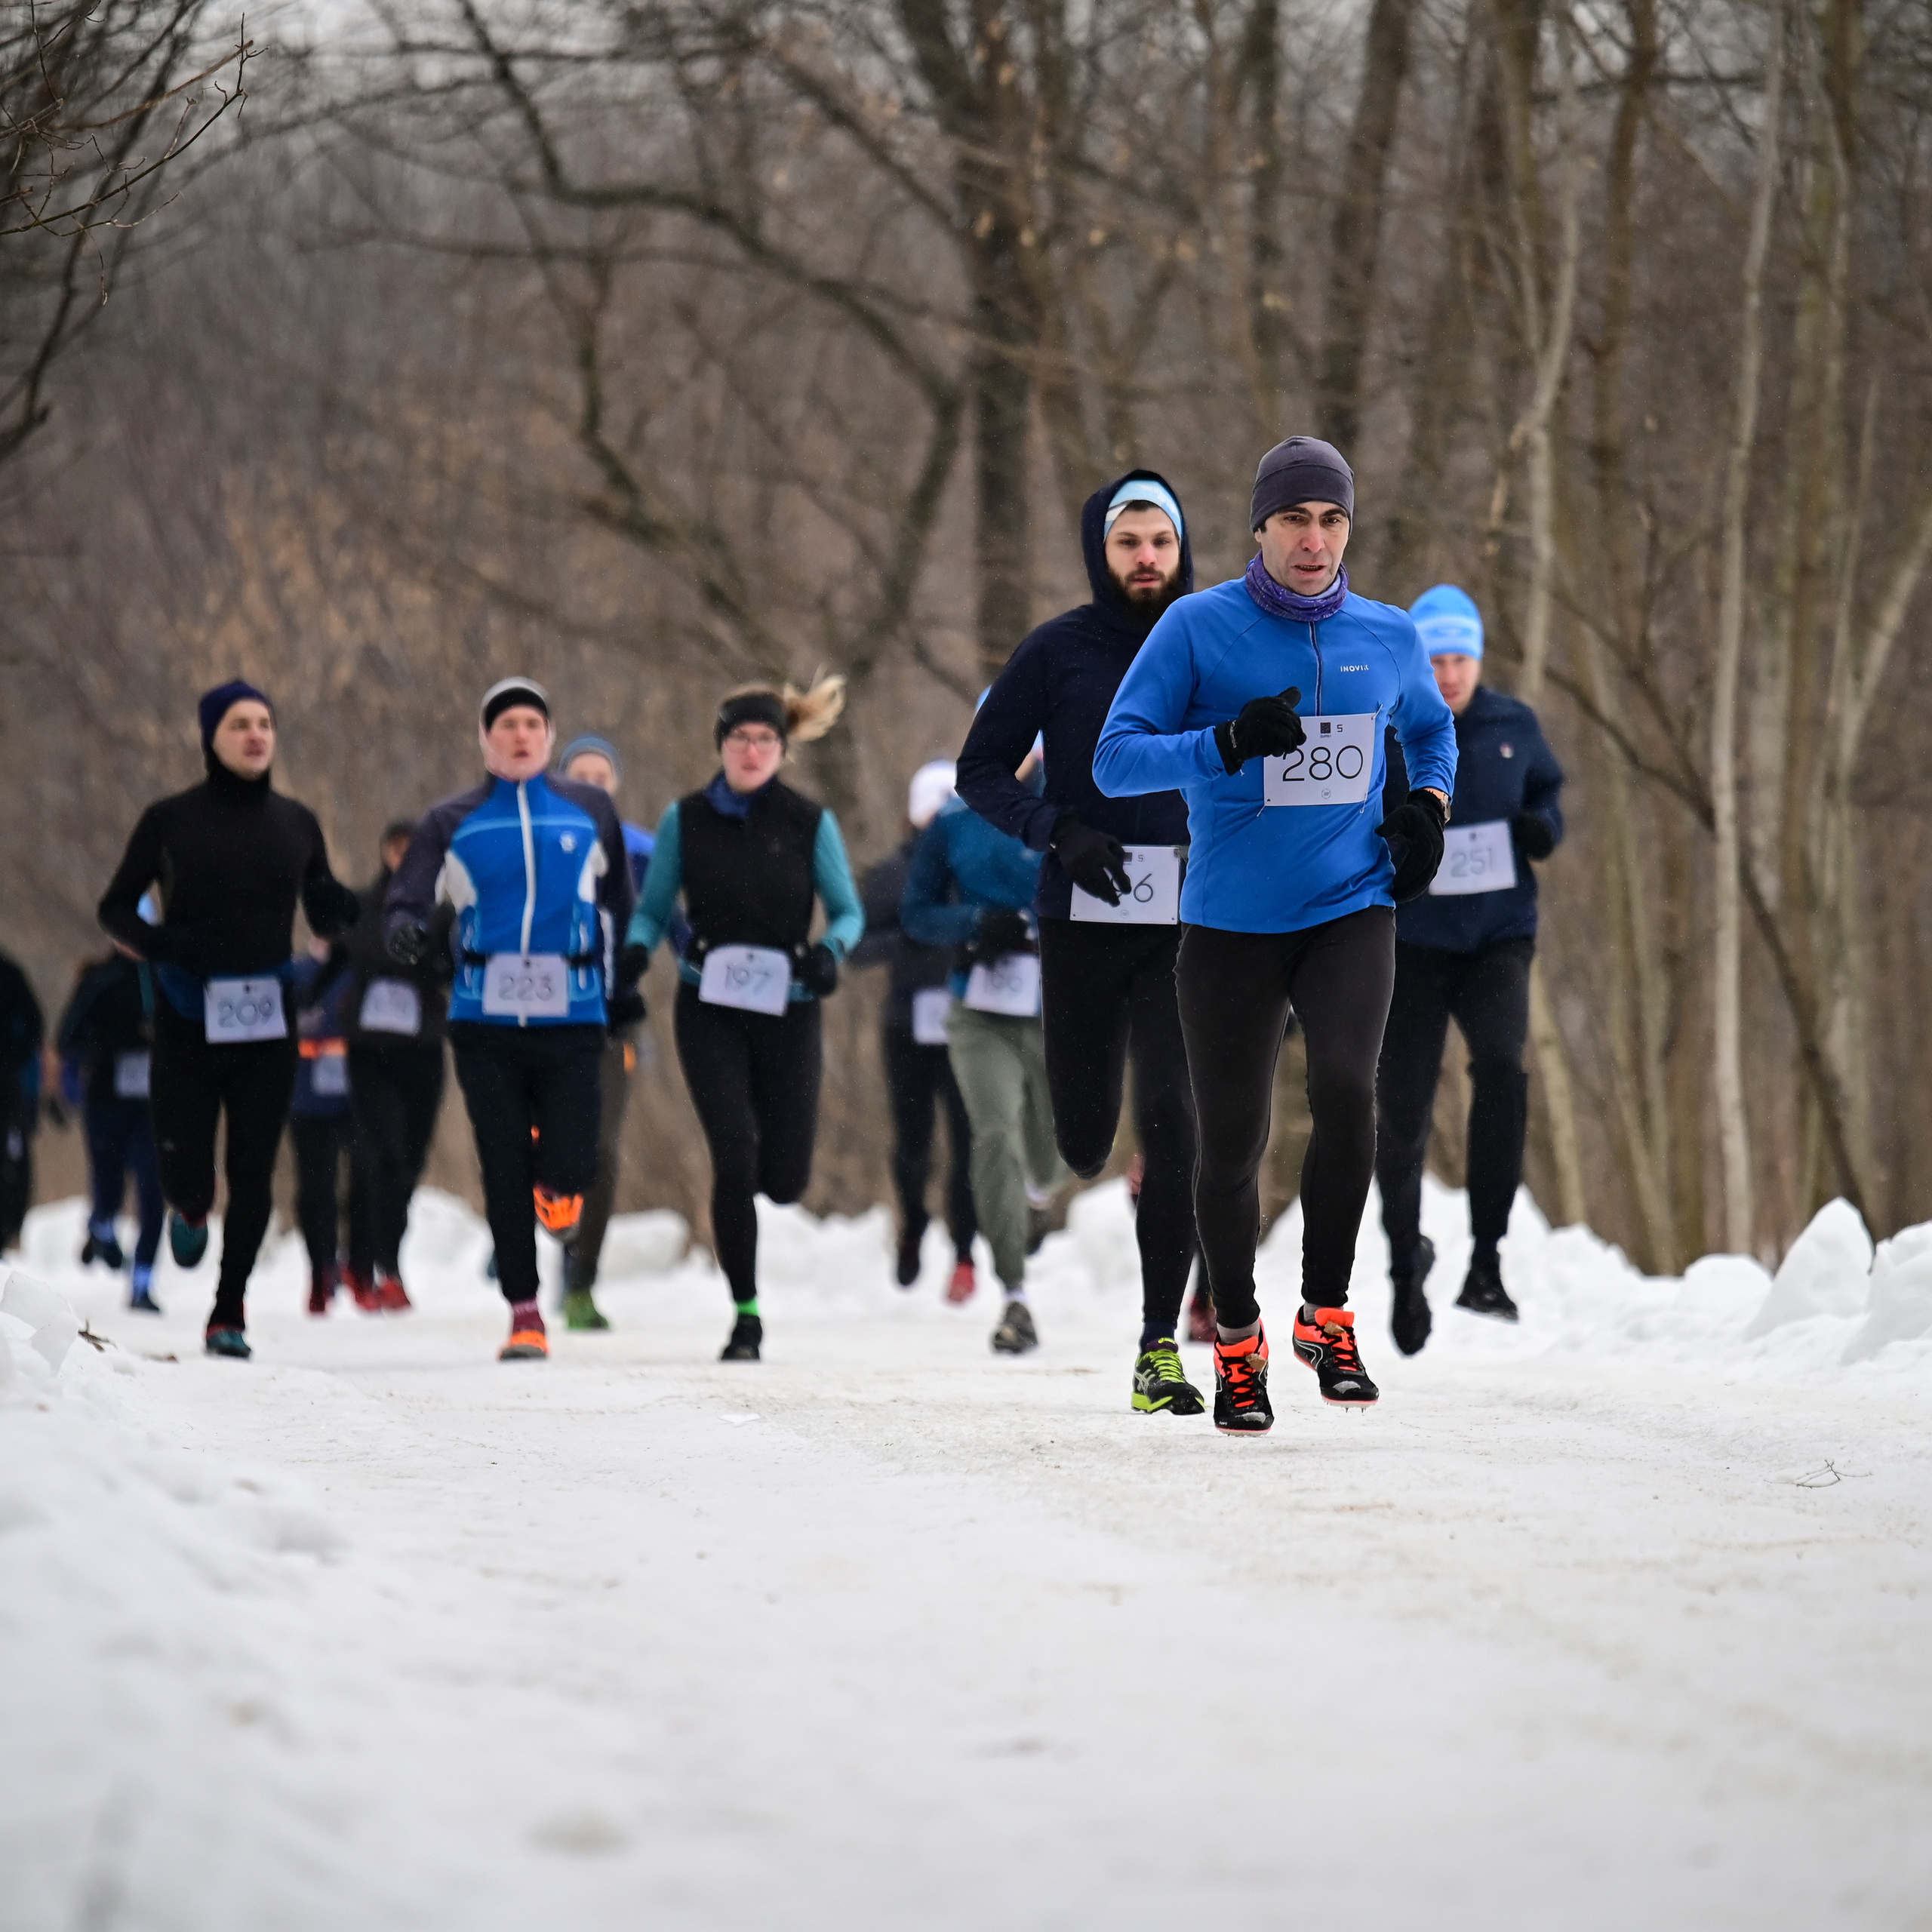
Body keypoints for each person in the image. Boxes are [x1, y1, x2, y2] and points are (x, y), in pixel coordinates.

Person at [1095, 435, 1457, 1433]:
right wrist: (1221, 743)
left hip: (1352, 905)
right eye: (1295, 518)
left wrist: (1428, 804)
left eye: (1332, 519)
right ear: (1259, 527)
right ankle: (1238, 1339)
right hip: (1229, 924)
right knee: (1232, 1142)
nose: (1314, 539)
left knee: (1346, 1090)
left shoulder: (1388, 635)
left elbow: (1431, 729)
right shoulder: (1197, 628)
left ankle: (1325, 1314)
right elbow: (1116, 760)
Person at [958, 469, 1206, 1415]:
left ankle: (1157, 1348)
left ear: (1182, 548)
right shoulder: (1057, 650)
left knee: (1175, 1123)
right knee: (1084, 1138)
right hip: (1081, 920)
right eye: (1127, 542)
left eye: (1160, 541)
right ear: (1099, 552)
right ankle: (1080, 1150)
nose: (1146, 558)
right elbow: (980, 770)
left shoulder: (1215, 640)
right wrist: (1057, 829)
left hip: (1187, 923)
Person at [97, 681, 361, 1358]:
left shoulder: (297, 822)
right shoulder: (169, 820)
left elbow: (323, 914)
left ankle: (228, 1310)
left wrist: (339, 910)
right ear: (211, 737)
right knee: (185, 1168)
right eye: (240, 724)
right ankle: (190, 1205)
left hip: (267, 1023)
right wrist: (163, 945)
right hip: (187, 1015)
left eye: (265, 723)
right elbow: (114, 909)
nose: (255, 734)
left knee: (254, 1169)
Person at [386, 678, 638, 1362]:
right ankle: (525, 1312)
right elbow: (407, 896)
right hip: (483, 1018)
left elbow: (619, 906)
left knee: (576, 1158)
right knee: (501, 1161)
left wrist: (624, 986)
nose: (521, 735)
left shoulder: (590, 810)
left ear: (549, 738)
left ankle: (559, 1185)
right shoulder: (451, 820)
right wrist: (405, 930)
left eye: (533, 724)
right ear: (486, 739)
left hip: (574, 1012)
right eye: (507, 725)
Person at [625, 678, 863, 1362]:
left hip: (789, 1009)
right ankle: (746, 1314)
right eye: (739, 739)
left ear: (782, 750)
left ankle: (763, 1193)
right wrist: (636, 951)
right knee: (734, 1154)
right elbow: (653, 909)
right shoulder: (685, 820)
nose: (751, 750)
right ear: (721, 746)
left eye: (764, 740)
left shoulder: (809, 822)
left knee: (783, 1177)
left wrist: (829, 952)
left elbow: (848, 911)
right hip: (710, 1008)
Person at [1374, 584, 1564, 1348]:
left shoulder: (1514, 725)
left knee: (1501, 1070)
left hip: (1496, 938)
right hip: (1412, 943)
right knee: (1403, 1107)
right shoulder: (1391, 727)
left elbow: (1548, 791)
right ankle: (1402, 1257)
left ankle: (1487, 1260)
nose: (1448, 675)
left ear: (1478, 661)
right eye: (1435, 661)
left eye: (1460, 659)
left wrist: (1542, 826)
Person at [902, 744, 1066, 1357]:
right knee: (993, 1135)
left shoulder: (1075, 803)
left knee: (1059, 1149)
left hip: (1058, 1005)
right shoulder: (953, 821)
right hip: (978, 1005)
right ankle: (1014, 1294)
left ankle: (1039, 1195)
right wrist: (975, 924)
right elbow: (916, 913)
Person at [851, 759, 977, 1300]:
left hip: (971, 1020)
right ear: (913, 819)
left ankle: (966, 1251)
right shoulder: (889, 875)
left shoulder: (980, 867)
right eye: (933, 814)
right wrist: (909, 938)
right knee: (913, 1143)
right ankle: (913, 1223)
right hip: (907, 1024)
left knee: (970, 1140)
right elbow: (856, 946)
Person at [552, 734, 658, 1331]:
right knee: (546, 1139)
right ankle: (538, 1215)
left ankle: (581, 1281)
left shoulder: (641, 851)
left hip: (615, 1020)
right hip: (543, 1016)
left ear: (616, 785)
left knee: (602, 1148)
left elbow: (668, 915)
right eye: (581, 776)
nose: (592, 786)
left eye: (602, 776)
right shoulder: (536, 842)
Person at [339, 820, 451, 1314]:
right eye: (397, 849)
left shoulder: (441, 911)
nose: (404, 857)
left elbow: (447, 965)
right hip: (370, 1051)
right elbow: (353, 952)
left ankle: (378, 1257)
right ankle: (378, 1264)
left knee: (410, 1159)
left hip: (422, 1047)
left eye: (413, 849)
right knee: (379, 1154)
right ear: (385, 852)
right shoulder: (363, 904)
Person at [55, 949, 164, 1309]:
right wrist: (115, 1044)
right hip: (106, 1103)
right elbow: (67, 1038)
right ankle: (102, 1227)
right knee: (109, 1186)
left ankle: (142, 1283)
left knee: (153, 1189)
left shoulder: (166, 975)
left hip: (152, 1107)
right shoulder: (101, 979)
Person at [288, 945, 371, 1315]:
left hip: (357, 1099)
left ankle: (360, 1268)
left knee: (365, 1183)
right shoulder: (296, 974)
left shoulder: (360, 971)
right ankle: (320, 1272)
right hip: (306, 1099)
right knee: (314, 1190)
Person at [0, 952, 44, 1254]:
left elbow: (34, 1024)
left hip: (7, 1089)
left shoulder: (9, 975)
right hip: (9, 1084)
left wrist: (12, 1058)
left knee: (12, 1159)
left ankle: (6, 1231)